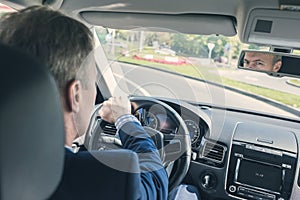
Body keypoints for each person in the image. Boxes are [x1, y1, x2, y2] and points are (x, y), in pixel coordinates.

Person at [0, 6, 168, 199]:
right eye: (93, 83)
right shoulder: (105, 180)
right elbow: (155, 184)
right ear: (76, 95)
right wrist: (124, 119)